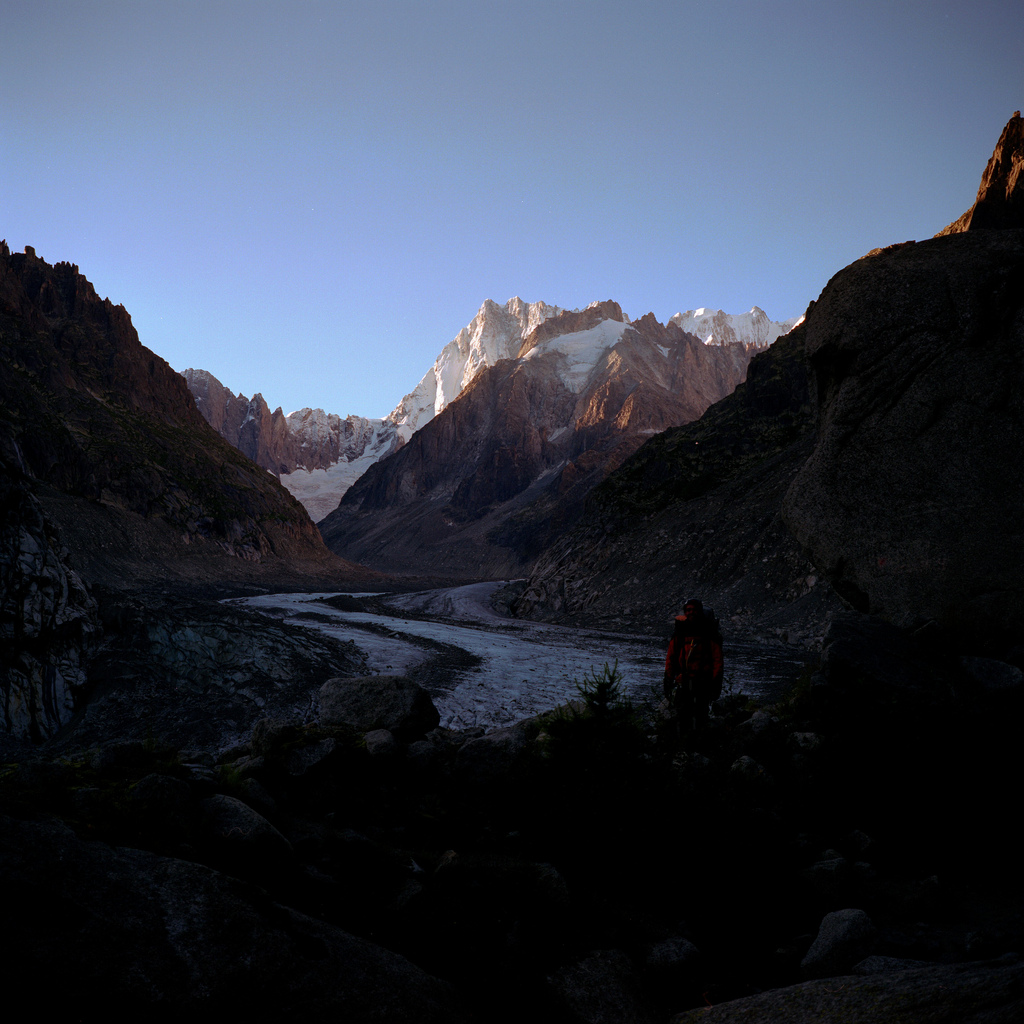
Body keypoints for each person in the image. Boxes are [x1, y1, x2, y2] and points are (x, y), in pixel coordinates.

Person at [663, 599, 724, 744]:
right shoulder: (680, 633)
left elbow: (717, 661)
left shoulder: (709, 633)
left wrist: (716, 683)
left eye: (693, 610)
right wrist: (668, 679)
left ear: (699, 611)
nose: (690, 612)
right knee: (682, 714)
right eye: (688, 610)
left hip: (703, 682)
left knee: (700, 714)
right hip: (683, 680)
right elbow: (670, 657)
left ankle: (697, 745)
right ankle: (684, 745)